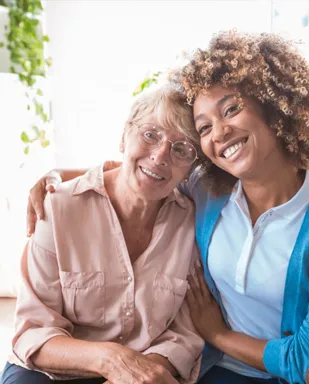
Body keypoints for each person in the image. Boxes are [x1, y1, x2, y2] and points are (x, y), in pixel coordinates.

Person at [24, 31, 309, 384]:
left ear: (276, 108)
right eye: (205, 127)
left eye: (232, 110)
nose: (219, 133)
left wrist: (217, 334)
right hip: (211, 370)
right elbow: (143, 171)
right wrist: (58, 176)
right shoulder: (210, 191)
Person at [1, 84, 205, 384]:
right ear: (124, 137)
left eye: (182, 149)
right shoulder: (57, 209)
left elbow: (184, 333)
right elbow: (33, 331)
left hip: (144, 368)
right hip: (53, 370)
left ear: (190, 168)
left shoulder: (191, 221)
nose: (161, 156)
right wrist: (112, 360)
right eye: (150, 134)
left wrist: (143, 371)